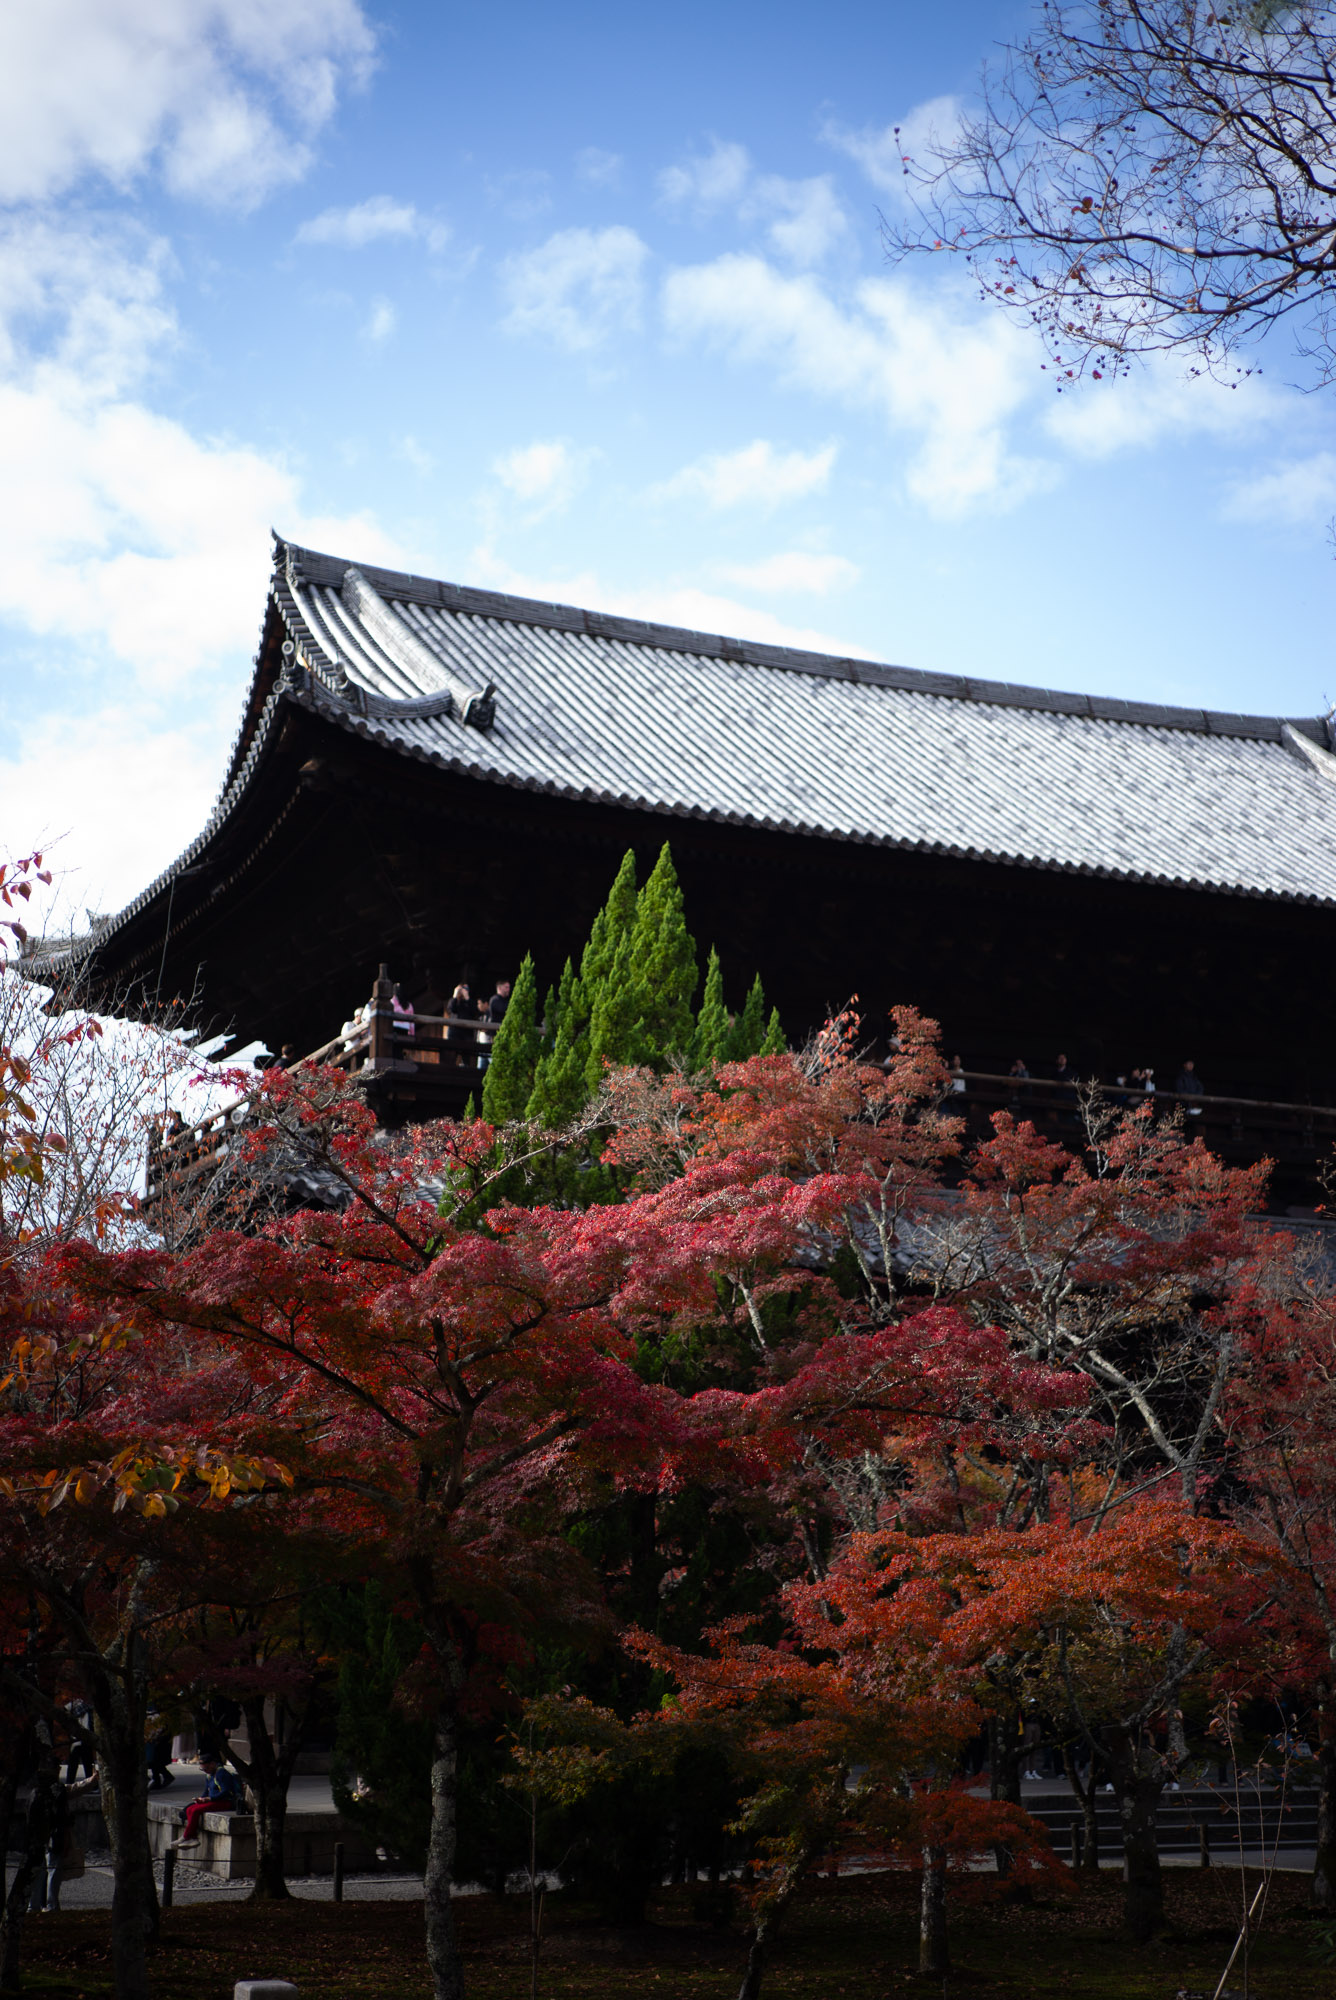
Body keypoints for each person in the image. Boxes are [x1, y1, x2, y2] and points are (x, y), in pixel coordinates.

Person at [168, 1754, 242, 1851]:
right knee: (190, 1809)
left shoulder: (221, 1773)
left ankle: (186, 1837)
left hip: (226, 1802)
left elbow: (226, 1792)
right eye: (202, 1769)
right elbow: (206, 1791)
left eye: (206, 1768)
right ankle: (192, 1837)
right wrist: (200, 1799)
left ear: (212, 1764)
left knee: (195, 1811)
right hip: (214, 1800)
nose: (205, 1771)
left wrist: (210, 1799)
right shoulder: (209, 1775)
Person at [445, 982, 479, 1065]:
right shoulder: (453, 1001)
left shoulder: (470, 1002)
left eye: (466, 989)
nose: (464, 991)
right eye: (462, 989)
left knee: (467, 1057)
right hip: (454, 1032)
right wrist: (455, 995)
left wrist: (467, 998)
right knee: (451, 1056)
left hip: (467, 1033)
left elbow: (474, 1012)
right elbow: (451, 1009)